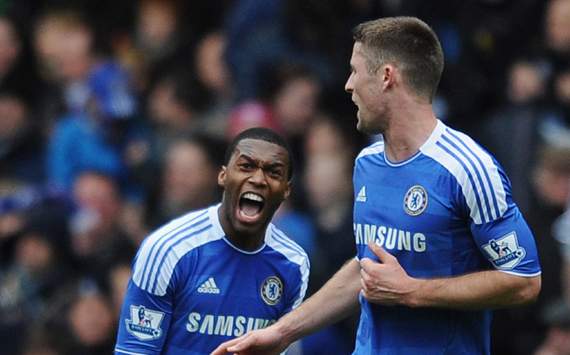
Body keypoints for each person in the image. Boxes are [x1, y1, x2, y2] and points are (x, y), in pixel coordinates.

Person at [212, 16, 541, 355]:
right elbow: (365, 270)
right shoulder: (367, 164)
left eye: (355, 71)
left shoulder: (467, 167)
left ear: (386, 77)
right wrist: (283, 333)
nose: (348, 85)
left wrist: (413, 292)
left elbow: (524, 280)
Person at [114, 127, 309, 354]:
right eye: (246, 166)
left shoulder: (293, 264)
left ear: (286, 190)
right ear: (223, 176)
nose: (258, 179)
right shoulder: (167, 249)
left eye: (273, 173)